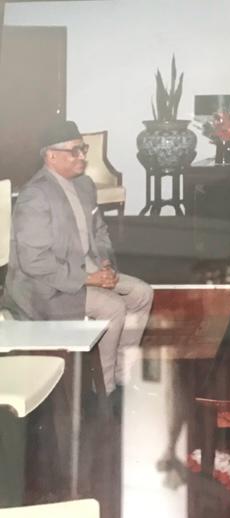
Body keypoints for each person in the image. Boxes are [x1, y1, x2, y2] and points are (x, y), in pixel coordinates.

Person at [1, 120, 153, 400]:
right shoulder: (35, 196)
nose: (82, 156)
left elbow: (100, 232)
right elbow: (35, 262)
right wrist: (90, 279)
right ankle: (104, 389)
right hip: (42, 288)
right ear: (51, 156)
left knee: (142, 293)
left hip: (87, 270)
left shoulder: (85, 185)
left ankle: (123, 375)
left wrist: (105, 264)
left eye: (83, 149)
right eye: (75, 151)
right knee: (112, 306)